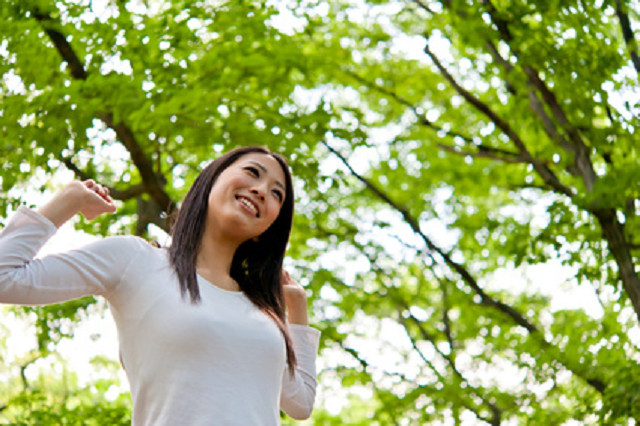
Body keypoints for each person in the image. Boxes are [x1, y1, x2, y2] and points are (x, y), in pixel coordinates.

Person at [0, 146, 320, 425]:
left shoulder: (261, 311)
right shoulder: (136, 261)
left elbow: (300, 404)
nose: (262, 190)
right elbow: (5, 279)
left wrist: (296, 310)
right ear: (210, 181)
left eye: (276, 193)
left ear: (267, 227)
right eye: (252, 173)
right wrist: (66, 201)